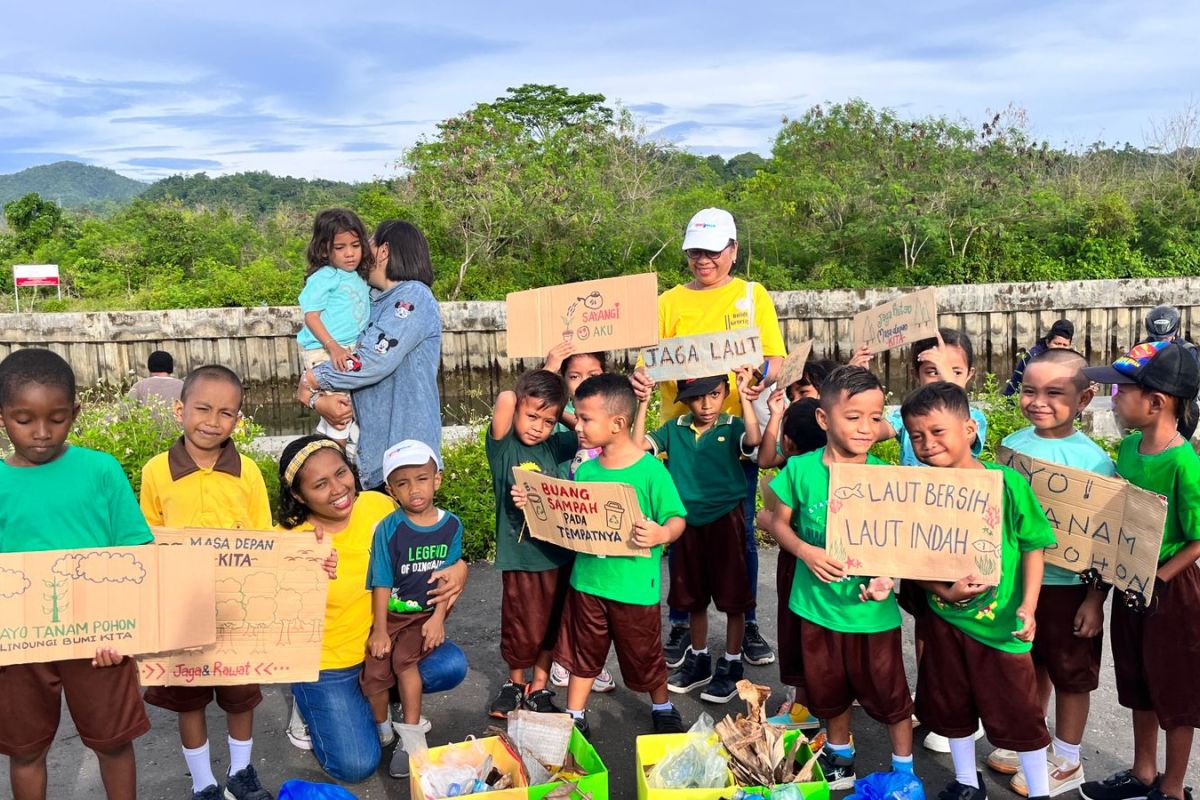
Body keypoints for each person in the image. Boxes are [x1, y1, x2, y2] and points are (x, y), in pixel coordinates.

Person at [634, 207, 785, 669]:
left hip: (736, 434)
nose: (704, 260)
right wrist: (639, 381)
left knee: (738, 534)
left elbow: (774, 360)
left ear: (733, 251)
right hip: (678, 437)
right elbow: (647, 363)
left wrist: (758, 376)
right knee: (681, 533)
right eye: (696, 251)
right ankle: (682, 622)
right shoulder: (667, 302)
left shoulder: (752, 295)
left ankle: (748, 620)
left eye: (714, 251)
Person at [0, 348, 152, 800]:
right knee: (25, 750)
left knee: (113, 742)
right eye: (24, 420)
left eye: (58, 418)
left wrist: (121, 627)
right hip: (18, 646)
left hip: (99, 640)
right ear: (2, 416)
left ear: (76, 414)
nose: (42, 432)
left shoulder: (100, 471)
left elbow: (136, 553)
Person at [276, 436, 468, 784]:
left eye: (341, 473)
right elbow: (266, 609)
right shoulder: (288, 540)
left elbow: (424, 546)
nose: (338, 489)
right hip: (331, 663)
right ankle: (308, 705)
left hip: (388, 638)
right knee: (356, 765)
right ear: (299, 496)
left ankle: (378, 694)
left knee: (450, 665)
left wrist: (461, 568)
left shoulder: (378, 505)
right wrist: (302, 576)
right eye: (320, 484)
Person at [903, 381, 1055, 800]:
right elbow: (908, 559)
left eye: (937, 432)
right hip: (946, 618)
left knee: (1020, 712)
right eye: (916, 436)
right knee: (952, 706)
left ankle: (1040, 790)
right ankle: (968, 782)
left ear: (969, 428)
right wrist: (943, 592)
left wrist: (1029, 605)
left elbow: (1033, 545)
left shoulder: (1005, 483)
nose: (927, 444)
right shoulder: (916, 492)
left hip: (1001, 622)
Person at [766, 366, 914, 789]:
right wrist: (805, 551)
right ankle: (840, 757)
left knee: (891, 696)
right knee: (828, 692)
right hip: (815, 608)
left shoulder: (888, 481)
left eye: (875, 417)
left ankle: (903, 769)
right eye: (853, 417)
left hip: (872, 616)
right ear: (823, 419)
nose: (866, 428)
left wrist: (888, 577)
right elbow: (777, 521)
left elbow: (905, 544)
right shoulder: (800, 470)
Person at [140, 365, 274, 800]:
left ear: (238, 419)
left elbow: (263, 539)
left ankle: (241, 772)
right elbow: (149, 537)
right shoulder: (157, 471)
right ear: (180, 409)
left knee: (241, 695)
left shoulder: (247, 472)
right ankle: (203, 783)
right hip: (183, 610)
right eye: (202, 408)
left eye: (226, 413)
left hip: (235, 608)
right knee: (189, 699)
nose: (213, 421)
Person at [986, 349, 1112, 797]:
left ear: (1085, 399)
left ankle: (1068, 758)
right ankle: (1032, 740)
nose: (1038, 401)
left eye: (1055, 392)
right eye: (1029, 390)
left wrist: (1096, 599)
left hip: (1072, 588)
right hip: (1022, 583)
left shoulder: (1096, 461)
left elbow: (1110, 540)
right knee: (1028, 663)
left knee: (1071, 674)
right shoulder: (1013, 448)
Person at [534, 374, 688, 736]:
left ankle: (662, 704)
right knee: (583, 655)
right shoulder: (585, 470)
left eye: (586, 418)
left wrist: (662, 533)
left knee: (645, 654)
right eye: (577, 416)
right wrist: (537, 503)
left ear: (618, 423)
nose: (578, 425)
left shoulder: (651, 471)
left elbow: (677, 517)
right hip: (587, 582)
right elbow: (568, 516)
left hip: (634, 587)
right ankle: (575, 714)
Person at [1079, 341, 1200, 800]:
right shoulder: (1128, 449)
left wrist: (1160, 580)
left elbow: (1197, 539)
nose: (1113, 398)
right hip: (1129, 581)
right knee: (1137, 679)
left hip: (1171, 589)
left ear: (1156, 402)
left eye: (1120, 390)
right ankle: (1143, 772)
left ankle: (1171, 789)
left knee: (1175, 689)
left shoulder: (1185, 462)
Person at [633, 370, 761, 704]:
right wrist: (642, 404)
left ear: (725, 393)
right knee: (692, 596)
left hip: (725, 519)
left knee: (734, 597)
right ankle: (700, 656)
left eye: (714, 394)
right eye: (696, 397)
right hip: (685, 522)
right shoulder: (673, 430)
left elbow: (753, 442)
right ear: (684, 400)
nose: (706, 405)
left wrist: (747, 401)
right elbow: (635, 449)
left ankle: (732, 663)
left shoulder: (732, 426)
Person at [299, 220, 442, 491]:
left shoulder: (412, 296)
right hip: (373, 455)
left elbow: (373, 361)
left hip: (404, 458)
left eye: (366, 243)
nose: (361, 251)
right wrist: (316, 398)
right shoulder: (373, 300)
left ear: (384, 250)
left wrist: (313, 379)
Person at [365, 441, 463, 778]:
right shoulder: (389, 529)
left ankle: (411, 737)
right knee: (375, 674)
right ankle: (383, 729)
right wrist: (379, 629)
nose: (414, 490)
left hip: (424, 614)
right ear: (391, 490)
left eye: (421, 479)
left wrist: (438, 620)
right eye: (402, 483)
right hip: (391, 615)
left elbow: (448, 579)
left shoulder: (451, 526)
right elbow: (380, 578)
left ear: (437, 479)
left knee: (405, 661)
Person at [485, 370, 578, 716]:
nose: (538, 426)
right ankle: (515, 682)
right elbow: (507, 398)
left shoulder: (555, 445)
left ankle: (539, 685)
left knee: (552, 624)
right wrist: (545, 379)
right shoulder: (503, 447)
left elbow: (582, 430)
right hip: (520, 557)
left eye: (547, 421)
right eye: (532, 416)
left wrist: (560, 408)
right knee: (520, 626)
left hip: (557, 555)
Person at [542, 344, 616, 694]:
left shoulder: (614, 416)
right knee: (563, 593)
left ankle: (590, 662)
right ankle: (561, 658)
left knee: (592, 598)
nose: (584, 381)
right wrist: (550, 367)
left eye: (593, 375)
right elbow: (529, 404)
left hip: (598, 521)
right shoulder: (553, 413)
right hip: (561, 518)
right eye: (573, 375)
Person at [757, 391, 825, 729]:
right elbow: (768, 457)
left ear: (788, 440)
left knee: (797, 632)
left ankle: (803, 707)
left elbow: (768, 518)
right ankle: (818, 699)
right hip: (826, 564)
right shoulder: (827, 466)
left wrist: (765, 517)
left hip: (796, 564)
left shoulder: (794, 471)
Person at [296, 209, 373, 456]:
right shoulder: (325, 276)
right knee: (341, 410)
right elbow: (311, 316)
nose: (349, 253)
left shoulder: (358, 276)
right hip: (326, 350)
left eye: (355, 245)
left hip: (346, 349)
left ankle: (320, 451)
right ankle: (336, 463)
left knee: (338, 413)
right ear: (324, 249)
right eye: (340, 248)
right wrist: (332, 346)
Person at [881, 328, 989, 468]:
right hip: (915, 489)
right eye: (933, 371)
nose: (942, 379)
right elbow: (870, 431)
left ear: (969, 374)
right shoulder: (904, 415)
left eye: (955, 372)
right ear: (915, 374)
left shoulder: (972, 416)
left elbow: (967, 440)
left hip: (959, 488)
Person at [1141, 305, 1199, 440]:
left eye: (1166, 338)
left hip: (1176, 393)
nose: (1162, 341)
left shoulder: (1188, 349)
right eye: (1157, 338)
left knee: (1193, 410)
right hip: (1148, 392)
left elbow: (1193, 381)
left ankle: (1181, 442)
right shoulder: (1141, 348)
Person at [1004, 319, 1075, 396]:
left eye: (1065, 345)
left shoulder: (1069, 357)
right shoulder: (1034, 357)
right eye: (1057, 343)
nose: (1060, 348)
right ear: (1047, 342)